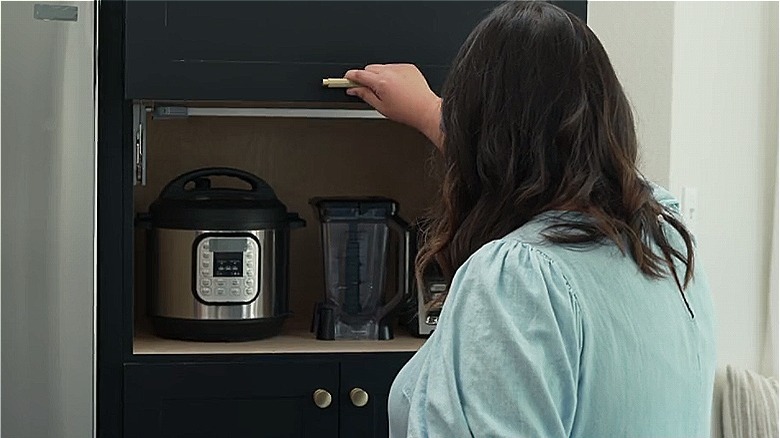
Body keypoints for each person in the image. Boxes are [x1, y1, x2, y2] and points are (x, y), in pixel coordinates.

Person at [343, 1, 717, 437]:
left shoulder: (519, 280)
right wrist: (432, 111)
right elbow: (564, 160)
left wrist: (457, 120)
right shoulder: (666, 241)